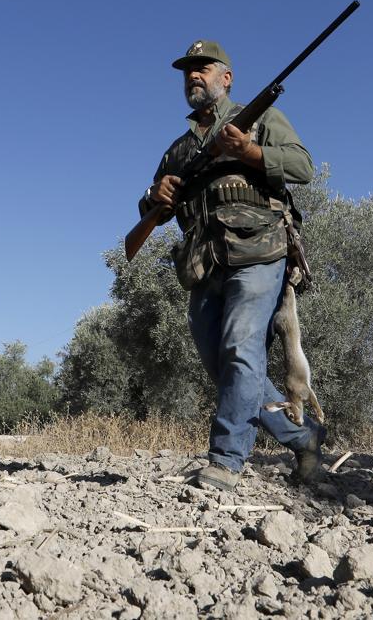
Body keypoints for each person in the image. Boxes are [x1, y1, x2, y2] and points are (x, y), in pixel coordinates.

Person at [138, 39, 327, 491]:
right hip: (204, 263)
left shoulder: (261, 119)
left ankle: (225, 460)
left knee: (241, 347)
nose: (193, 76)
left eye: (203, 68)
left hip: (259, 249)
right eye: (188, 71)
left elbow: (303, 167)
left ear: (226, 78)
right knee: (226, 366)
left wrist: (249, 153)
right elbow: (152, 207)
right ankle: (304, 438)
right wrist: (155, 196)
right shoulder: (179, 150)